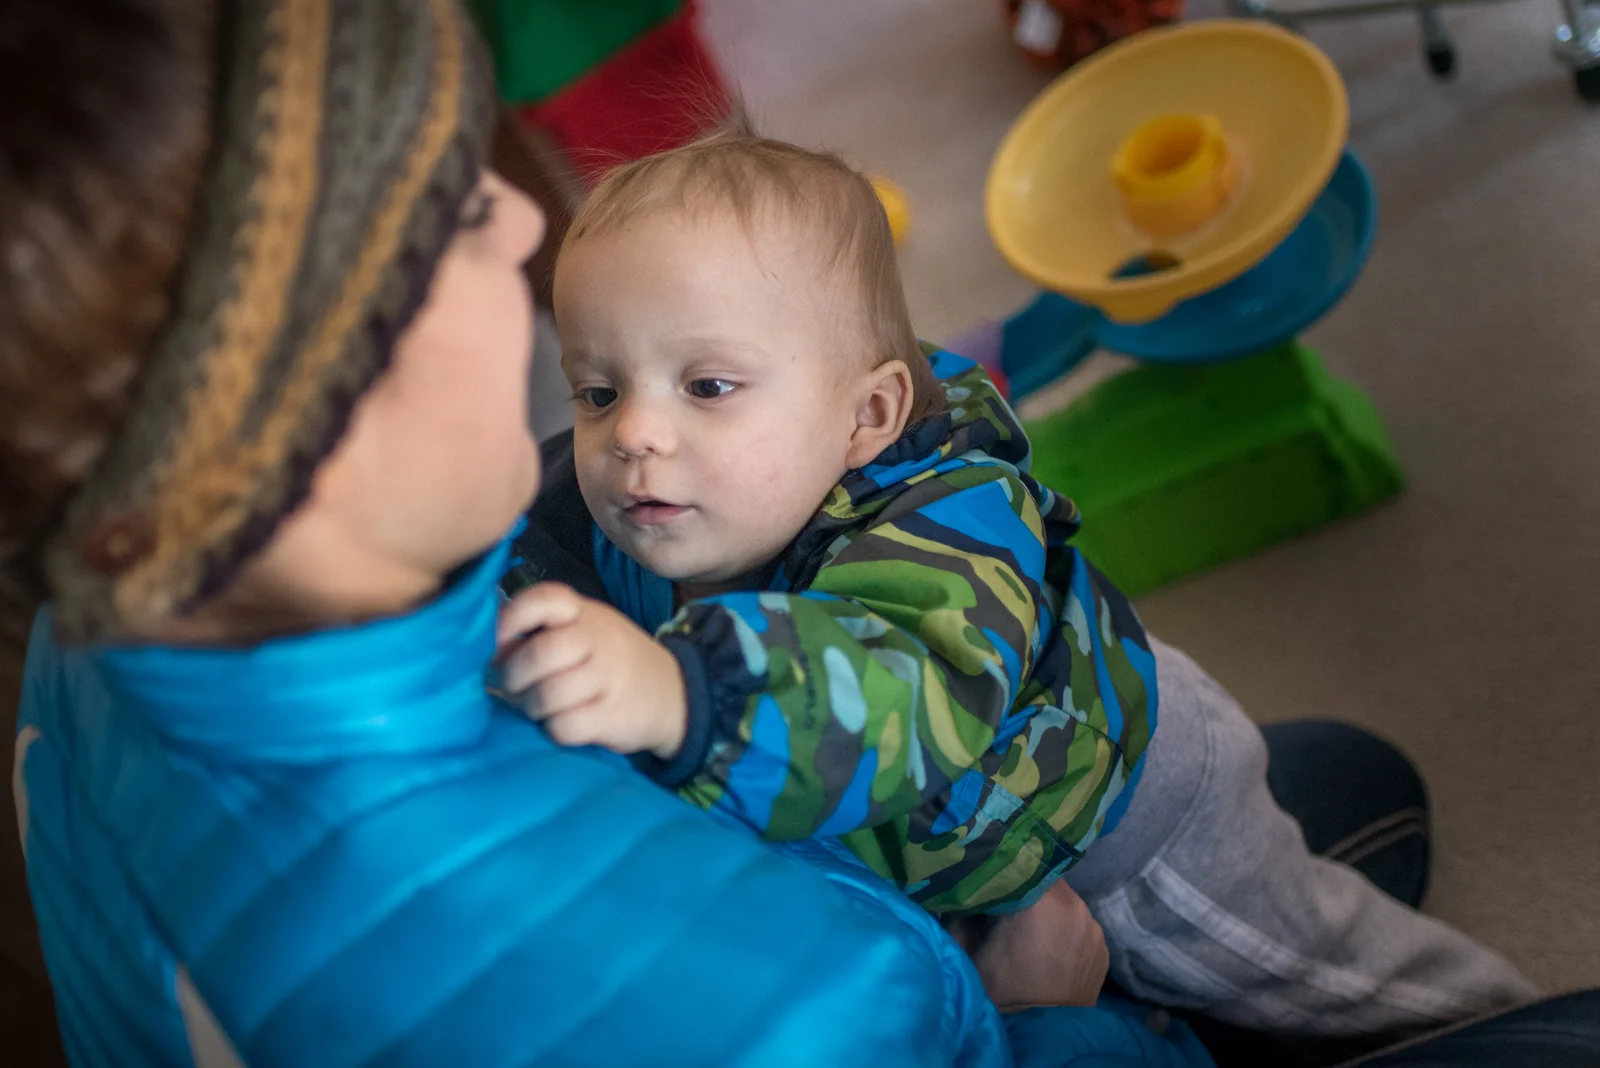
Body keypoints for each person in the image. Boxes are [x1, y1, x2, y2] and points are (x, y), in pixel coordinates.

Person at [0, 1, 1211, 1065]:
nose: (519, 224)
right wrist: (1048, 1027)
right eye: (449, 209)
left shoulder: (76, 637)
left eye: (708, 385)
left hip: (1091, 787)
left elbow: (907, 666)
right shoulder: (810, 1009)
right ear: (309, 381)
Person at [495, 124, 1538, 1034]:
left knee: (1322, 976)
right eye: (597, 390)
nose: (632, 433)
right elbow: (525, 531)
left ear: (867, 416)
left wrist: (683, 695)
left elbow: (900, 692)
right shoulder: (661, 508)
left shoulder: (946, 520)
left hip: (1120, 826)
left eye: (709, 385)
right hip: (969, 849)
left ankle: (1504, 1023)